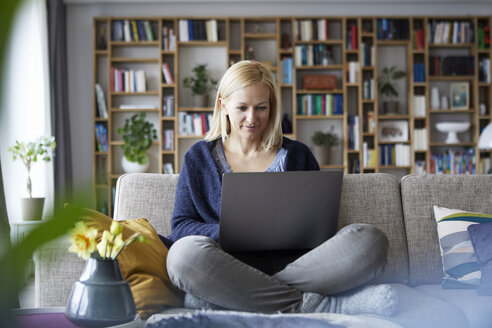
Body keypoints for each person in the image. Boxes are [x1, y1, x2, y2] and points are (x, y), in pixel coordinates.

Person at [166, 60, 398, 315]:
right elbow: (181, 226)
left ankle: (234, 297)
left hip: (300, 267)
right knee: (182, 257)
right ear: (223, 105)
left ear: (272, 107)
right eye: (242, 107)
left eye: (261, 108)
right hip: (227, 266)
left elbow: (318, 228)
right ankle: (319, 304)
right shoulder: (198, 157)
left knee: (371, 240)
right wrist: (232, 232)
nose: (252, 118)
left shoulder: (298, 155)